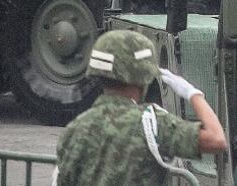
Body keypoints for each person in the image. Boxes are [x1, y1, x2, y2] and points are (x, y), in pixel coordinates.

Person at [54, 30, 226, 186]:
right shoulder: (152, 124)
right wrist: (194, 95)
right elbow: (216, 140)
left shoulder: (75, 129)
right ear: (143, 77)